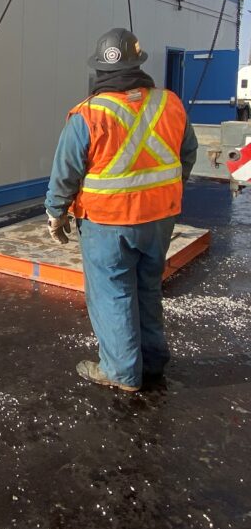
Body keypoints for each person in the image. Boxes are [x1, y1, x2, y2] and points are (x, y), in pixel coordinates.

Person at [45, 28, 199, 392]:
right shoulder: (169, 104)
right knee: (147, 287)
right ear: (139, 63)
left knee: (113, 292)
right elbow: (187, 155)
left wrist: (56, 212)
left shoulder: (88, 115)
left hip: (106, 224)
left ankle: (121, 372)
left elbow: (64, 173)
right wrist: (163, 194)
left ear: (100, 70)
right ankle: (153, 361)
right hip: (159, 221)